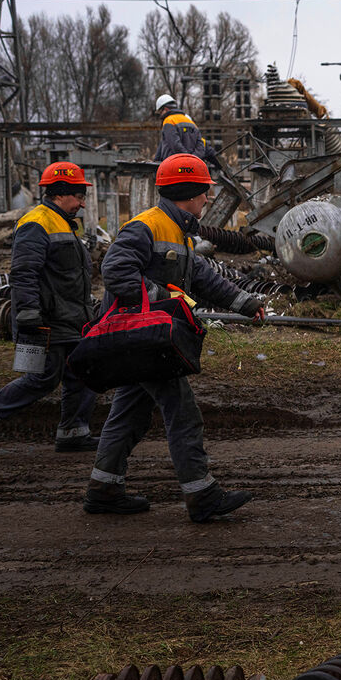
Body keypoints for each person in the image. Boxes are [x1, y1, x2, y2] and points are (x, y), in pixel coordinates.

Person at [83, 153, 265, 521]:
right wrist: (164, 299)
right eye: (205, 192)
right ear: (189, 191)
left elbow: (201, 276)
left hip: (146, 339)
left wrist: (246, 303)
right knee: (182, 413)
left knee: (129, 412)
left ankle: (103, 489)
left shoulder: (177, 229)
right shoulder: (146, 226)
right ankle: (202, 496)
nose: (208, 198)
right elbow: (115, 271)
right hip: (141, 338)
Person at [0, 161, 99, 453]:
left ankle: (74, 432)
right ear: (61, 193)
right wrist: (28, 316)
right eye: (79, 196)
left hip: (70, 318)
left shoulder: (63, 222)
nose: (82, 202)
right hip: (46, 320)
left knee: (84, 370)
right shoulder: (36, 222)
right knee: (43, 377)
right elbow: (24, 273)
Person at [154, 93, 221, 168]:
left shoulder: (168, 121)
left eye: (160, 112)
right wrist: (193, 159)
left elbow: (175, 144)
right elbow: (200, 145)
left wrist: (187, 159)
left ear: (165, 109)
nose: (160, 115)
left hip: (174, 166)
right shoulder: (191, 122)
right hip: (192, 167)